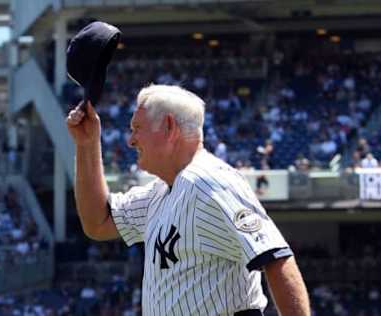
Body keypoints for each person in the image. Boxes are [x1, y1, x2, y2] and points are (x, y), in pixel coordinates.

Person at [66, 84, 310, 316]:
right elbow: (98, 222)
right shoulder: (160, 192)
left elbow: (276, 258)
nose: (131, 140)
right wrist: (86, 145)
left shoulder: (211, 181)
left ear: (169, 127)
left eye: (137, 128)